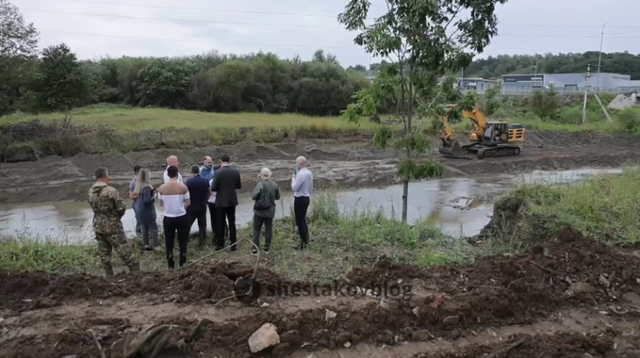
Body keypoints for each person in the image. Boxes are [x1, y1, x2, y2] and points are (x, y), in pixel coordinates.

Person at [88, 167, 139, 277]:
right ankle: (137, 275)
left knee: (104, 253)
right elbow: (121, 207)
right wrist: (114, 217)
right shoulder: (111, 191)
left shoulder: (91, 190)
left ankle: (109, 277)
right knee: (125, 251)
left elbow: (92, 206)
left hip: (98, 225)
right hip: (112, 226)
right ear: (106, 175)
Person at [158, 166, 190, 268]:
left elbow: (161, 204)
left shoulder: (162, 188)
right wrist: (181, 207)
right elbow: (188, 203)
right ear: (177, 174)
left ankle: (170, 263)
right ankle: (182, 261)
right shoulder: (183, 187)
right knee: (183, 240)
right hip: (181, 216)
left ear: (167, 174)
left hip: (168, 217)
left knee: (169, 241)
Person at [211, 154, 241, 251]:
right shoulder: (235, 172)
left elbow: (213, 188)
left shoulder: (218, 172)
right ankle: (233, 244)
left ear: (221, 161)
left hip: (220, 201)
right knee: (232, 222)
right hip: (232, 200)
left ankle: (220, 244)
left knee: (220, 223)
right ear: (229, 161)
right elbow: (238, 186)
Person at [251, 167, 280, 255]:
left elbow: (253, 196)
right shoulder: (275, 185)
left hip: (259, 211)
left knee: (257, 229)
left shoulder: (260, 184)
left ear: (261, 174)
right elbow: (278, 197)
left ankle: (255, 249)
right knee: (268, 229)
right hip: (270, 211)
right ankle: (266, 248)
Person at [133, 168, 160, 252]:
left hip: (139, 211)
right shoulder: (147, 187)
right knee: (153, 228)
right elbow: (147, 200)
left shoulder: (138, 186)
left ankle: (146, 246)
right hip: (147, 212)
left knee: (144, 228)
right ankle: (156, 246)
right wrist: (154, 196)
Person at [291, 156, 313, 250]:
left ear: (300, 164)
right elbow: (311, 187)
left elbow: (294, 188)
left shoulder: (300, 174)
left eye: (296, 163)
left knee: (299, 221)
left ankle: (303, 243)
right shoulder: (309, 173)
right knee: (303, 219)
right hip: (307, 197)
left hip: (299, 198)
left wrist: (293, 178)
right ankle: (306, 239)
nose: (296, 164)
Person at [186, 164, 211, 247]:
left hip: (192, 206)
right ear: (199, 171)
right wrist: (206, 200)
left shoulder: (189, 181)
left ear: (191, 172)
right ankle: (202, 243)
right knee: (202, 225)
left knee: (187, 224)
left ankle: (185, 240)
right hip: (202, 205)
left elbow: (186, 194)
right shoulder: (205, 180)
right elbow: (209, 192)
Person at [129, 165, 142, 237]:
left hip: (141, 204)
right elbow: (131, 197)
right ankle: (138, 233)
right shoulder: (133, 183)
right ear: (137, 172)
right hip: (136, 204)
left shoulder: (142, 181)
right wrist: (141, 194)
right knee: (139, 219)